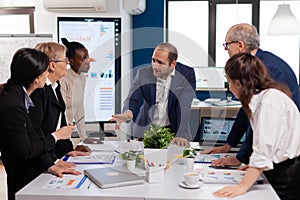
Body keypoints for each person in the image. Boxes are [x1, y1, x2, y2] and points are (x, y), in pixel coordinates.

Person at [202, 23, 300, 166]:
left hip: (283, 157)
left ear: (240, 45)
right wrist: (229, 144)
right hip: (273, 153)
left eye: (227, 45)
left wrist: (242, 158)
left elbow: (263, 120)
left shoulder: (266, 68)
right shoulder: (259, 63)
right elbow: (246, 110)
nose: (226, 50)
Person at [213, 53, 300, 199]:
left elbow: (264, 149)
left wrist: (243, 185)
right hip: (277, 168)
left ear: (238, 83)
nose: (229, 87)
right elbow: (270, 144)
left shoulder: (269, 102)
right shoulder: (260, 99)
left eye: (229, 82)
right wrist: (256, 168)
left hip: (287, 175)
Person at [0, 48, 80, 200]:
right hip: (20, 167)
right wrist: (56, 136)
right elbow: (26, 150)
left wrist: (53, 164)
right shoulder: (14, 103)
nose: (47, 75)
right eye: (45, 72)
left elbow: (32, 133)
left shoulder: (18, 95)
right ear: (36, 78)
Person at [111, 42, 196, 147]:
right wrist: (127, 113)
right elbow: (132, 99)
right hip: (147, 128)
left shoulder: (187, 74)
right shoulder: (143, 74)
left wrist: (181, 134)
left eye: (160, 63)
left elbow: (184, 107)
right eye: (153, 60)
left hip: (174, 129)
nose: (155, 66)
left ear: (173, 64)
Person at [30, 42, 90, 159]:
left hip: (51, 155)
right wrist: (53, 163)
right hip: (38, 164)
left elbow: (61, 126)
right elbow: (37, 136)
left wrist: (68, 151)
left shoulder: (55, 86)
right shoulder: (38, 92)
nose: (67, 63)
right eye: (64, 60)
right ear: (52, 66)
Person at [60, 38, 90, 141]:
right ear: (71, 62)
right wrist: (67, 140)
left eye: (88, 58)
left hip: (67, 133)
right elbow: (62, 112)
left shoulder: (82, 78)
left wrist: (84, 138)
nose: (87, 62)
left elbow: (79, 109)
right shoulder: (63, 79)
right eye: (83, 59)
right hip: (59, 133)